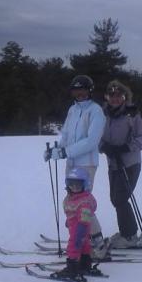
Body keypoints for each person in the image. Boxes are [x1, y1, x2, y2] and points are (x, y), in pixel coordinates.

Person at [44, 74, 109, 259]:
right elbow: (65, 134)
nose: (79, 93)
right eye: (76, 90)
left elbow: (91, 141)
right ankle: (80, 237)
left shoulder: (96, 112)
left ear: (90, 90)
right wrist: (56, 149)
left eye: (83, 89)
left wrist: (66, 152)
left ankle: (98, 243)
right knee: (72, 203)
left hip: (86, 163)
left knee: (83, 204)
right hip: (72, 163)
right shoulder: (72, 110)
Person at [99, 80, 142, 248]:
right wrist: (103, 146)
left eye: (119, 95)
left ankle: (129, 236)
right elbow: (96, 136)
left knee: (120, 198)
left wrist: (126, 147)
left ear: (124, 97)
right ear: (107, 97)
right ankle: (127, 232)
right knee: (115, 198)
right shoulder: (103, 114)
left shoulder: (131, 114)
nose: (115, 99)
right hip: (113, 163)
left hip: (130, 164)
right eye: (111, 95)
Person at [51, 167, 97, 280]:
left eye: (78, 184)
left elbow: (85, 217)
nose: (74, 187)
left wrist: (80, 231)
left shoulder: (84, 201)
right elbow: (73, 212)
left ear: (84, 184)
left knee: (73, 247)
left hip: (79, 229)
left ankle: (72, 269)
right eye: (72, 184)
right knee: (85, 245)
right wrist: (69, 220)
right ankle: (84, 265)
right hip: (78, 228)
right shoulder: (74, 197)